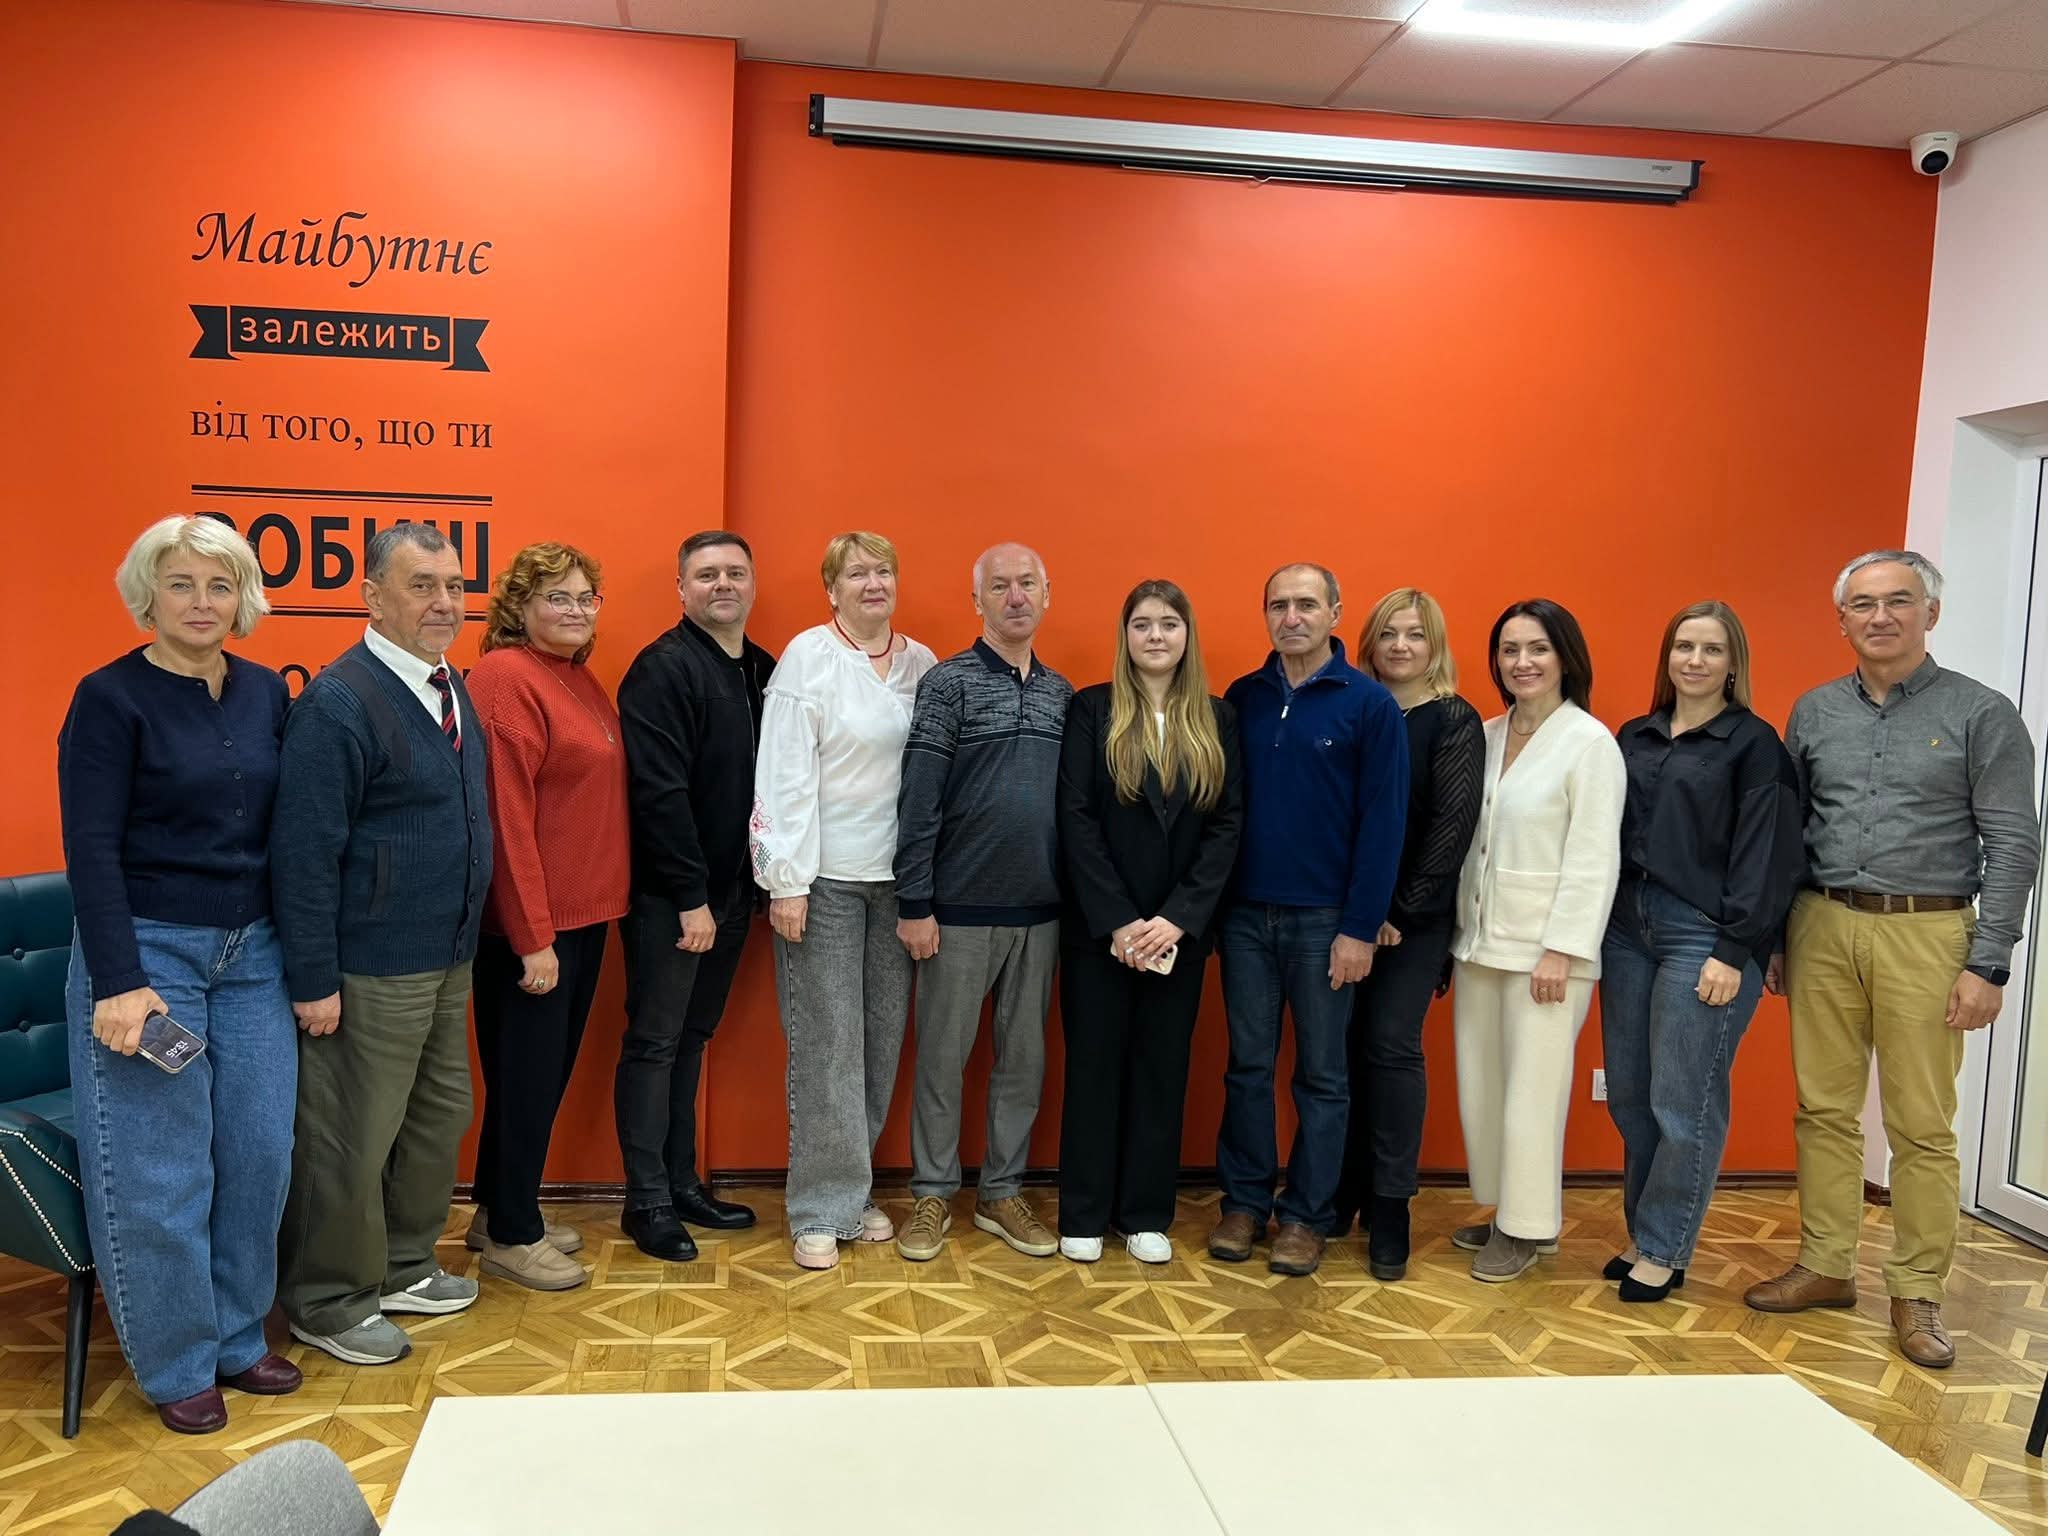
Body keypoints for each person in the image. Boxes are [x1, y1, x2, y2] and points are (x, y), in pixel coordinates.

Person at [1746, 551, 2040, 1368]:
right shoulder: (1813, 712)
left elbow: (2015, 845)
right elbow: (1789, 832)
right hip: (1821, 924)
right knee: (1822, 1110)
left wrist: (1989, 963)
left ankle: (1917, 1291)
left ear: (1930, 613)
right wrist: (1778, 938)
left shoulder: (1982, 714)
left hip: (1929, 933)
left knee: (1921, 1125)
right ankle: (1825, 1265)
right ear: (1841, 619)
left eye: (1899, 601)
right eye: (1863, 604)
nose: (1880, 617)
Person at [57, 515, 301, 1435]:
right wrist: (118, 979)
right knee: (160, 1173)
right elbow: (90, 847)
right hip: (149, 958)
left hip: (253, 956)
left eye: (219, 585)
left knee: (259, 1154)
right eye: (182, 584)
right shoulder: (108, 697)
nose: (202, 602)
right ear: (147, 595)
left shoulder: (265, 692)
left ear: (243, 598)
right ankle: (177, 1363)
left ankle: (237, 1337)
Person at [272, 522, 491, 1364]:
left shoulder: (448, 682)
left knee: (437, 1118)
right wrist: (313, 979)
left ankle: (402, 1266)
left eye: (454, 586)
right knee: (351, 1139)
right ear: (371, 596)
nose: (444, 602)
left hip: (447, 956)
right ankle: (327, 1300)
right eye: (421, 585)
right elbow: (303, 854)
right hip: (367, 968)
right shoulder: (338, 702)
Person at [1211, 563, 1409, 1278]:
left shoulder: (1370, 705)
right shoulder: (1244, 698)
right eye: (1278, 605)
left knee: (1323, 1076)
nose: (1291, 617)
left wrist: (1360, 927)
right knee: (1247, 1067)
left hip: (1326, 923)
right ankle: (1244, 1203)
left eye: (1306, 604)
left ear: (1335, 612)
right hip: (1244, 916)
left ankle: (1305, 1217)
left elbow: (1384, 823)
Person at [1601, 601, 1801, 1302]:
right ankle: (1644, 1233)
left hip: (1704, 934)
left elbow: (1767, 854)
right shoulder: (1635, 736)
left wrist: (1734, 947)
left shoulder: (1754, 744)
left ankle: (1664, 1248)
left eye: (1712, 649)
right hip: (1627, 929)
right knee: (1630, 1095)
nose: (1695, 660)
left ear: (1733, 663)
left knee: (1682, 1099)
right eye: (1684, 646)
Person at [752, 531, 938, 1270]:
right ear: (831, 589)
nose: (873, 583)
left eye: (883, 570)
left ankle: (852, 1192)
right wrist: (786, 881)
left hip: (899, 886)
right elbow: (783, 773)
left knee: (879, 1042)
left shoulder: (923, 665)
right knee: (827, 1045)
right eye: (856, 573)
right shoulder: (808, 658)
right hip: (824, 882)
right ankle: (820, 1208)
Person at [892, 544, 1074, 1262]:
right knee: (942, 1060)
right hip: (956, 912)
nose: (1015, 597)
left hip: (1042, 914)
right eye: (1000, 586)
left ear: (1047, 593)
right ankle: (933, 1194)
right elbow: (918, 799)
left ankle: (1002, 1193)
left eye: (1027, 584)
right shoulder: (948, 685)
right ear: (978, 601)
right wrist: (915, 901)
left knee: (1023, 1063)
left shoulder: (1063, 695)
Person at [1056, 579, 1242, 1263]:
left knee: (1161, 1070)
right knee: (1094, 1067)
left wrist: (1176, 919)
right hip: (1100, 933)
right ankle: (1084, 1212)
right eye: (1142, 624)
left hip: (1177, 937)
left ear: (1187, 635)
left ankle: (1143, 1214)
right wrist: (1118, 922)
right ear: (1125, 635)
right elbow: (1076, 820)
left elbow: (1227, 827)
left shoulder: (1218, 719)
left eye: (1168, 623)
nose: (1155, 636)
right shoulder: (1092, 709)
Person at [460, 542, 628, 1291]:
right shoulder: (505, 678)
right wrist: (533, 938)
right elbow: (505, 819)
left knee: (537, 1078)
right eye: (557, 597)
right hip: (533, 929)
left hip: (582, 917)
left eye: (586, 597)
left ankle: (501, 1208)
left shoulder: (575, 676)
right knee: (526, 1080)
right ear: (518, 606)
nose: (575, 610)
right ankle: (513, 1236)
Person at [1450, 599, 1625, 1283]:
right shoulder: (1486, 735)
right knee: (1484, 1088)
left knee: (1533, 1095)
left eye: (1538, 648)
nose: (1522, 662)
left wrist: (1563, 949)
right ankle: (1510, 1210)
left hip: (1547, 956)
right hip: (1480, 942)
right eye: (1509, 649)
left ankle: (1525, 1229)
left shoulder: (1589, 742)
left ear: (1565, 657)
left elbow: (1593, 856)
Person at [614, 531, 776, 1261]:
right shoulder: (663, 669)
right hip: (674, 901)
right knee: (654, 1043)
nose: (723, 585)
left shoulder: (764, 670)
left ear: (753, 584)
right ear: (681, 589)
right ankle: (646, 1201)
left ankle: (682, 1183)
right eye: (707, 575)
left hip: (735, 894)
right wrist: (689, 897)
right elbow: (658, 792)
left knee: (691, 1039)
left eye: (735, 573)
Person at [1330, 589, 1483, 1281]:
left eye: (1415, 635)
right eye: (1388, 633)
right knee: (1340, 1052)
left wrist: (1395, 913)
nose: (1399, 646)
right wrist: (1356, 914)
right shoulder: (1356, 708)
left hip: (1411, 922)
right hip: (1344, 914)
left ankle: (1391, 1204)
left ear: (1435, 646)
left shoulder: (1452, 719)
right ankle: (1345, 1189)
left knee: (1390, 1048)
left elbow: (1451, 829)